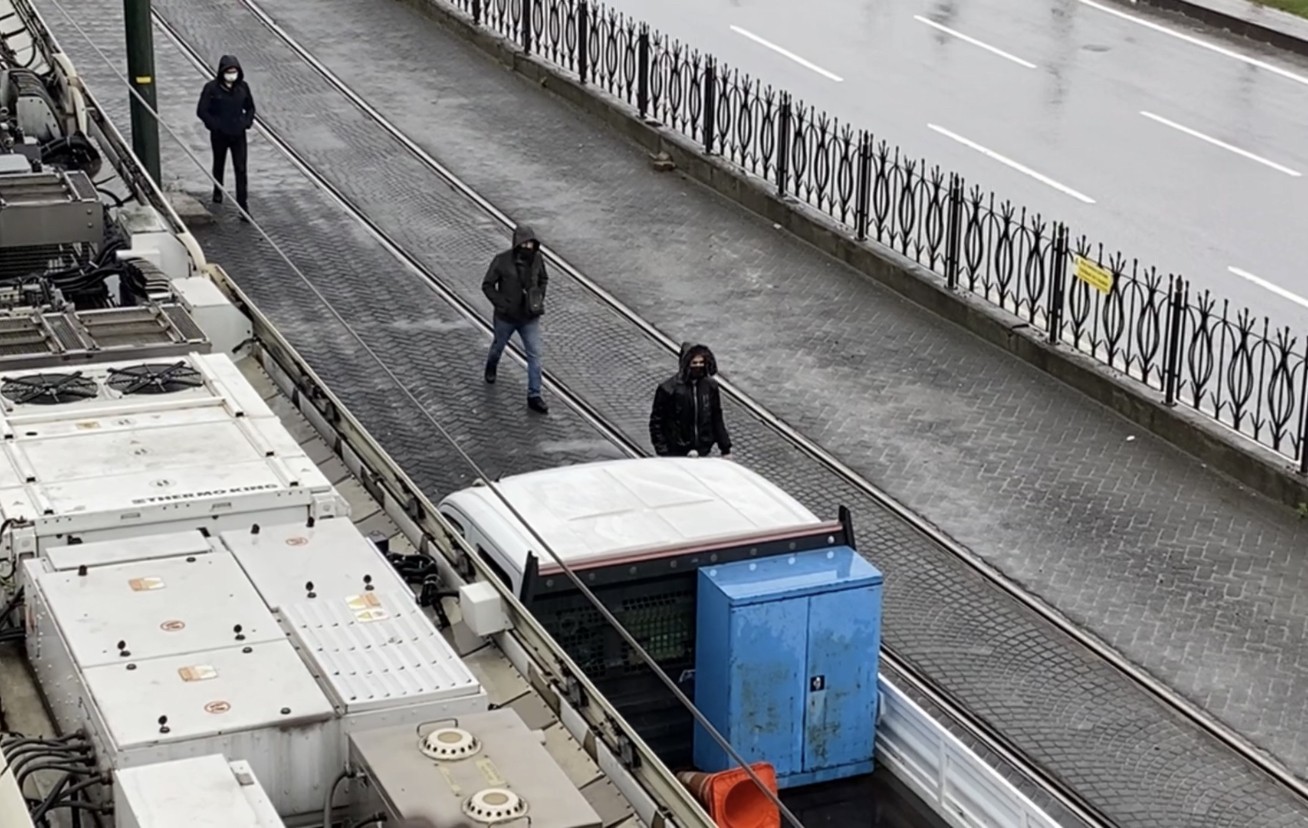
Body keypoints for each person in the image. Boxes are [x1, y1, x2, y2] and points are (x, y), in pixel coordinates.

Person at [482, 225, 549, 414]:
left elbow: (543, 279)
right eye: (524, 244)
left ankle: (534, 395)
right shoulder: (502, 261)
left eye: (530, 244)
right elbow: (487, 285)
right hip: (506, 318)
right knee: (498, 346)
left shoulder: (537, 259)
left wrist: (538, 296)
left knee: (535, 355)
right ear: (517, 244)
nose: (527, 247)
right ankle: (491, 365)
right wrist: (501, 304)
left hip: (529, 317)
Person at [196, 54, 256, 221]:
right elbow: (202, 111)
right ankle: (218, 190)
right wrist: (214, 125)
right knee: (219, 163)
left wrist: (246, 122)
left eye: (234, 72)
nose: (231, 75)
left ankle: (243, 205)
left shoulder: (243, 87)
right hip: (219, 135)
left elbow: (250, 108)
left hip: (238, 135)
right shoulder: (211, 88)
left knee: (241, 168)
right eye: (228, 72)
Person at [649, 342, 732, 459]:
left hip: (703, 450)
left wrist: (725, 448)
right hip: (676, 453)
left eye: (701, 363)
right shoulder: (668, 389)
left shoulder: (710, 386)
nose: (698, 366)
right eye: (694, 363)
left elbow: (716, 417)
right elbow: (657, 423)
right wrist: (663, 451)